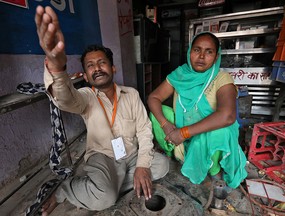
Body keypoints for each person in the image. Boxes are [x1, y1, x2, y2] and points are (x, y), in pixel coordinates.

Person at [35, 5, 169, 215]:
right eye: (90, 66)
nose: (97, 68)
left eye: (102, 63)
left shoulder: (131, 94)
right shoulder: (86, 97)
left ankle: (110, 186)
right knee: (104, 199)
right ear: (86, 77)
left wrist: (142, 165)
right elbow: (64, 98)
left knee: (162, 165)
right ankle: (65, 190)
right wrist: (56, 66)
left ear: (112, 68)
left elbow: (144, 130)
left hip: (131, 155)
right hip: (103, 157)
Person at [147, 32, 247, 189]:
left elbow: (227, 116)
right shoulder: (180, 74)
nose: (201, 56)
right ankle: (177, 152)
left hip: (205, 133)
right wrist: (166, 124)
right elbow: (153, 98)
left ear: (216, 56)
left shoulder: (221, 78)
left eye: (209, 52)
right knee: (158, 114)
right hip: (179, 132)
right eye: (197, 50)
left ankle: (214, 171)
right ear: (189, 52)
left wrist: (184, 133)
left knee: (220, 132)